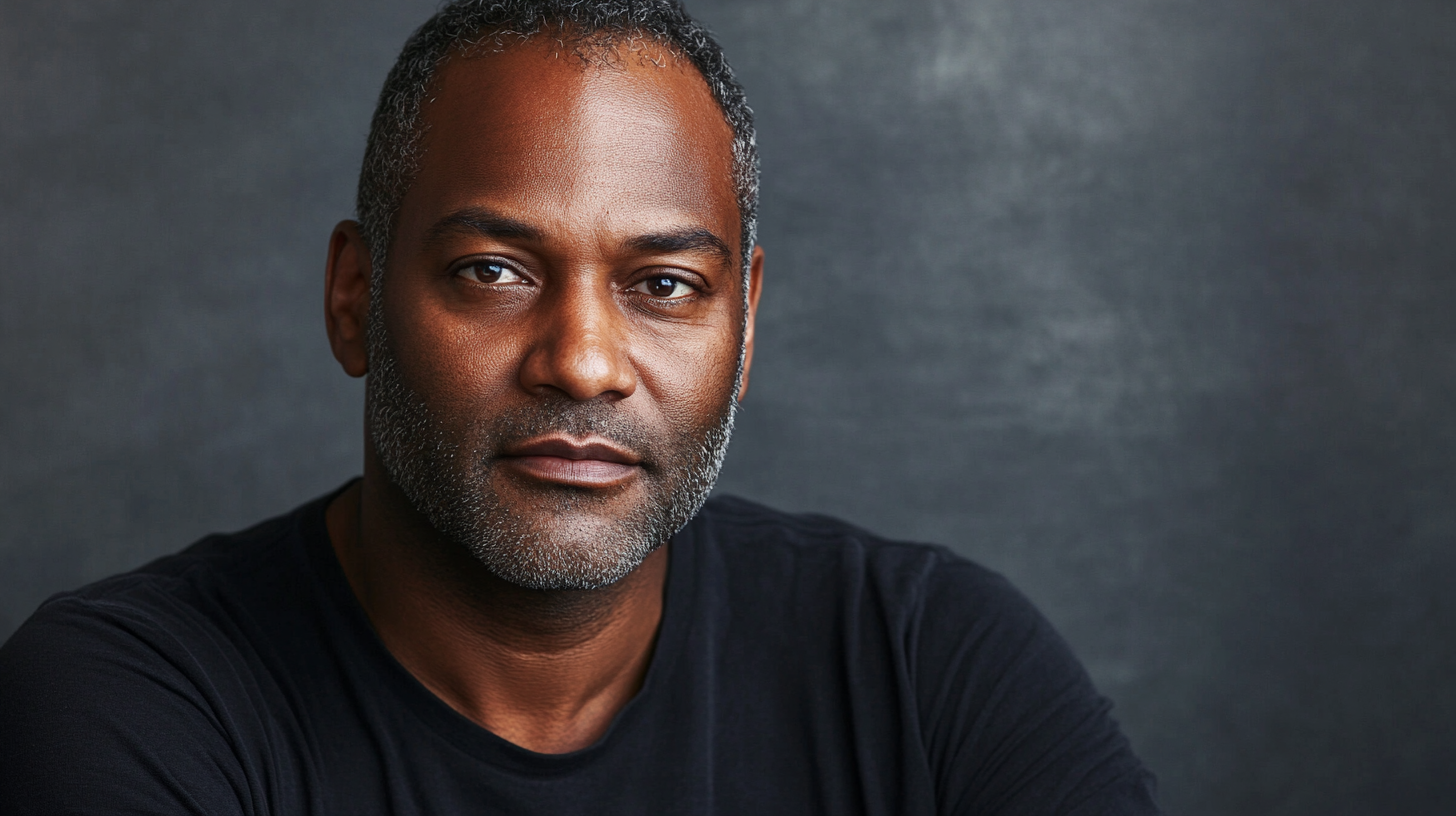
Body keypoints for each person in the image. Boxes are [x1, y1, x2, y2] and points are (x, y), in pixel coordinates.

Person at [0, 1, 1160, 813]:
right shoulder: (136, 701)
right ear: (356, 299)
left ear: (741, 327)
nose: (585, 362)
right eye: (495, 271)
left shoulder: (927, 667)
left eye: (662, 286)